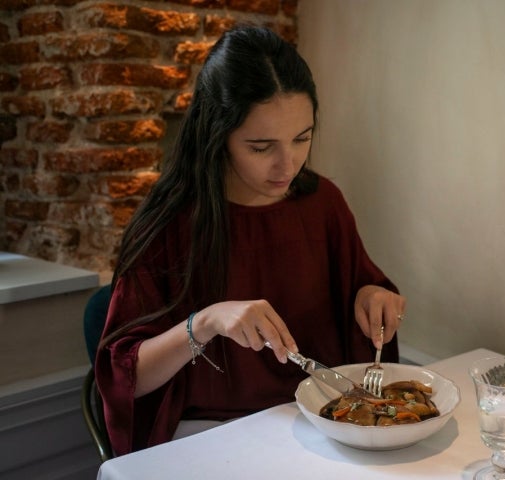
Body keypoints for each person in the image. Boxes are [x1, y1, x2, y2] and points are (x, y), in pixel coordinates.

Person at [95, 25, 406, 455]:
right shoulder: (172, 221)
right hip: (209, 433)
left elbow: (361, 292)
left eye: (302, 138)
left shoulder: (322, 203)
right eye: (261, 147)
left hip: (319, 419)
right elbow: (125, 376)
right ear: (217, 136)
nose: (288, 165)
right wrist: (205, 322)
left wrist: (371, 295)